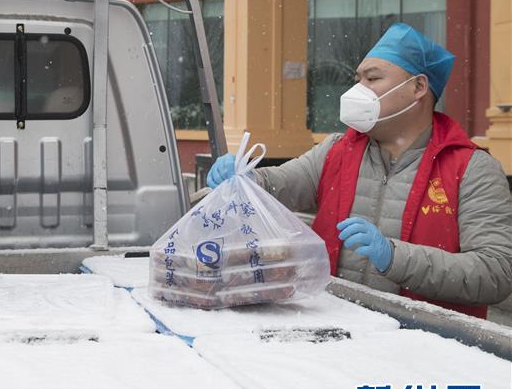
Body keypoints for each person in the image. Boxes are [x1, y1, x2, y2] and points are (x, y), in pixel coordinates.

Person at [206, 23, 512, 318]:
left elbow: (496, 272)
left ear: (418, 87)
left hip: (426, 347)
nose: (358, 90)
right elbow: (281, 184)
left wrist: (394, 257)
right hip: (341, 333)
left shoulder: (471, 169)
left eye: (372, 79)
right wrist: (246, 177)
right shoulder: (338, 150)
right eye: (359, 79)